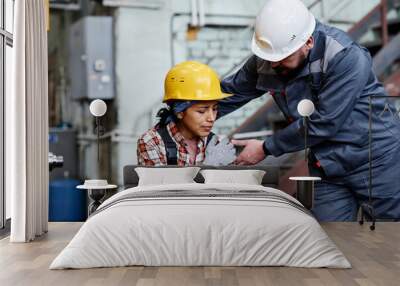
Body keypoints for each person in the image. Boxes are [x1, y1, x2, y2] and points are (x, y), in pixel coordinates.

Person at [218, 0, 400, 221]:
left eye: (283, 58)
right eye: (270, 58)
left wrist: (266, 147)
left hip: (376, 160)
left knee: (390, 237)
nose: (274, 65)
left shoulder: (345, 57)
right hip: (327, 166)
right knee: (328, 238)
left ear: (308, 42)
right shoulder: (271, 58)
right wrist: (181, 110)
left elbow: (325, 121)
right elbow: (229, 92)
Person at [137, 61, 236, 166]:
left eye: (215, 109)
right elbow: (160, 182)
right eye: (201, 111)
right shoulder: (152, 143)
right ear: (179, 112)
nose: (211, 118)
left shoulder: (217, 144)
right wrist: (207, 169)